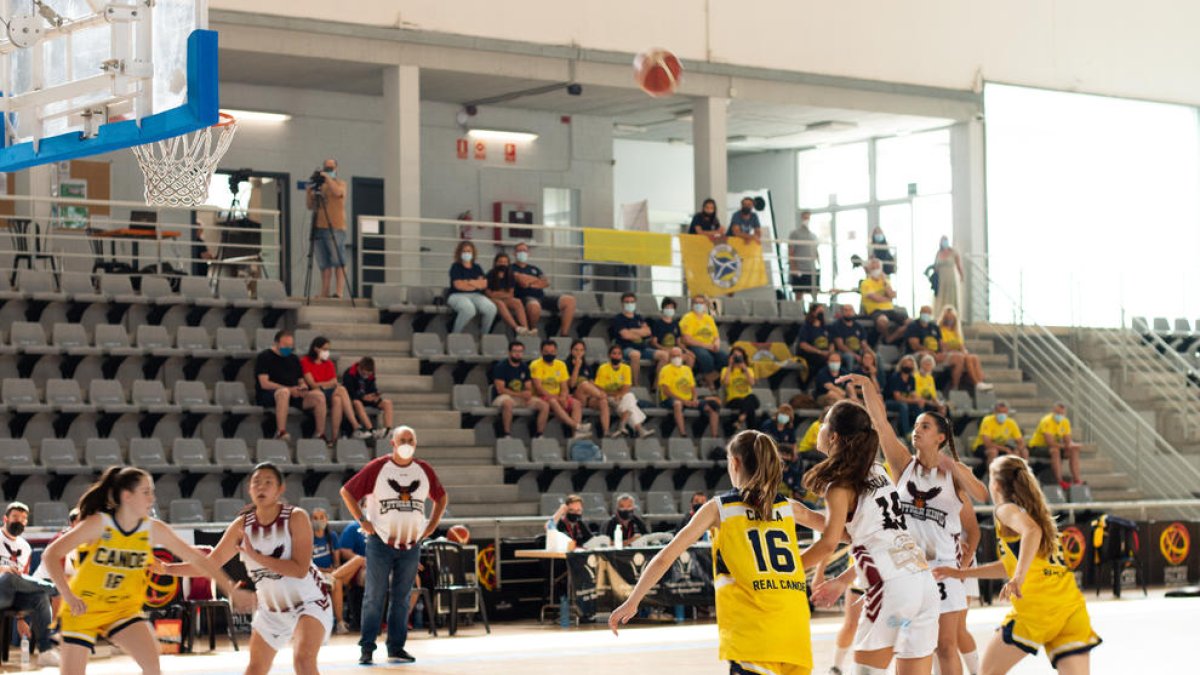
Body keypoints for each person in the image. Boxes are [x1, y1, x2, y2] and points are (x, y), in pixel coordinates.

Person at [610, 431, 826, 675]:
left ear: (734, 463)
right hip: (795, 630)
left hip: (753, 631)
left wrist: (632, 601)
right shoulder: (790, 507)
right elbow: (841, 535)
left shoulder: (719, 509)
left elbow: (664, 558)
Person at [44, 467, 254, 674]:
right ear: (127, 496)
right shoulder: (99, 524)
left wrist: (230, 589)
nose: (152, 498)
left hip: (123, 608)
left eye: (152, 491)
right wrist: (68, 596)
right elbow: (50, 555)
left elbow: (198, 559)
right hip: (85, 607)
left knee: (153, 666)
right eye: (146, 492)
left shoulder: (153, 529)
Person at [803, 396, 940, 675]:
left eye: (823, 423)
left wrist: (781, 569)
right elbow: (864, 534)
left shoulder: (840, 485)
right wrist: (842, 580)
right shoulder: (878, 470)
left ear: (834, 436)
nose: (819, 427)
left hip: (892, 586)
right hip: (921, 580)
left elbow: (829, 544)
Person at [933, 456, 1101, 674]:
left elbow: (1032, 533)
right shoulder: (1036, 511)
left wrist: (1018, 579)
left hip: (1036, 611)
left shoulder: (1005, 510)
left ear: (996, 484)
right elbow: (1010, 565)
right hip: (1070, 609)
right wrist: (960, 573)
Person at [162, 463, 332, 675]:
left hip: (309, 602)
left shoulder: (296, 517)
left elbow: (299, 569)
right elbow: (210, 563)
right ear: (249, 490)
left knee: (303, 661)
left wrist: (257, 557)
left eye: (268, 482)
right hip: (272, 609)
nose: (261, 487)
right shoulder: (242, 526)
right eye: (256, 482)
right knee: (254, 669)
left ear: (280, 489)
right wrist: (167, 569)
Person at [866, 393, 986, 675]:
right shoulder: (903, 464)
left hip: (942, 567)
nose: (916, 430)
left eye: (925, 427)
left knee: (945, 645)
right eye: (916, 426)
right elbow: (881, 423)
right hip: (907, 569)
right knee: (910, 643)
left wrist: (955, 468)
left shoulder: (954, 472)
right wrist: (867, 385)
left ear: (941, 438)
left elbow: (982, 494)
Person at [340, 426, 448, 665]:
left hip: (411, 544)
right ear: (393, 443)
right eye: (402, 439)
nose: (407, 443)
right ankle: (367, 647)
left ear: (416, 443)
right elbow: (347, 491)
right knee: (374, 596)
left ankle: (396, 647)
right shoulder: (378, 467)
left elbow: (441, 497)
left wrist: (431, 526)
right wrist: (362, 520)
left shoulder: (423, 470)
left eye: (411, 439)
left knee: (402, 597)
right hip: (380, 542)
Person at [0, 502, 57, 666]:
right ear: (5, 518)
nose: (20, 521)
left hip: (13, 595)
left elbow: (23, 581)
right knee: (9, 576)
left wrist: (20, 618)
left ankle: (45, 650)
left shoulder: (25, 547)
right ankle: (54, 588)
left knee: (40, 596)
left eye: (24, 519)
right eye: (15, 517)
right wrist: (3, 569)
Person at [256, 329, 326, 442]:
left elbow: (300, 380)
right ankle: (281, 431)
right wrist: (289, 389)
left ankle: (320, 434)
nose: (288, 348)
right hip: (270, 394)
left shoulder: (293, 359)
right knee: (284, 392)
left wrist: (303, 387)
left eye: (290, 346)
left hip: (293, 393)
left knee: (319, 396)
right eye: (285, 345)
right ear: (277, 343)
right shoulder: (264, 357)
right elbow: (264, 383)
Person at [301, 336, 370, 443]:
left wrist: (324, 385)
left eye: (328, 350)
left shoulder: (329, 363)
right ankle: (356, 426)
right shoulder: (306, 361)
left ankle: (334, 438)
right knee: (341, 390)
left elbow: (334, 382)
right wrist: (327, 384)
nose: (327, 352)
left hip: (328, 393)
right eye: (324, 349)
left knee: (338, 399)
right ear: (316, 349)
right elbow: (312, 385)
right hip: (314, 394)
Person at [512, 241, 576, 337]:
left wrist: (530, 281)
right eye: (520, 251)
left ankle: (564, 334)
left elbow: (546, 282)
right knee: (534, 306)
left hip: (542, 296)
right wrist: (536, 281)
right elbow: (523, 282)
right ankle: (532, 330)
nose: (522, 253)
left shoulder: (535, 269)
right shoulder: (511, 268)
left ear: (528, 253)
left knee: (569, 300)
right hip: (525, 297)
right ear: (514, 253)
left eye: (525, 251)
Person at [531, 339, 591, 439]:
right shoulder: (535, 365)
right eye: (546, 352)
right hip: (542, 397)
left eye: (552, 352)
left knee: (576, 403)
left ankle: (576, 433)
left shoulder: (560, 365)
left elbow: (564, 386)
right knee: (553, 401)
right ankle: (576, 426)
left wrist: (563, 396)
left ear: (556, 352)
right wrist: (557, 398)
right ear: (541, 352)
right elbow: (539, 388)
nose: (549, 354)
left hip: (558, 396)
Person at [305, 158, 348, 299]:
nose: (328, 170)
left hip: (336, 227)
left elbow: (337, 193)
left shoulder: (340, 183)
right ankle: (325, 292)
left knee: (338, 260)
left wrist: (328, 179)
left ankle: (339, 292)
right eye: (326, 168)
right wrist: (309, 192)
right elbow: (311, 206)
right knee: (324, 263)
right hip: (319, 227)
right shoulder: (320, 187)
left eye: (331, 168)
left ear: (336, 169)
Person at [658, 346, 720, 438]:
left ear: (682, 356)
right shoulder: (665, 370)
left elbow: (692, 387)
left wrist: (694, 399)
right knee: (678, 404)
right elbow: (666, 391)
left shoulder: (687, 369)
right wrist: (684, 401)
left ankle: (714, 436)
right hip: (670, 399)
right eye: (673, 356)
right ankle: (683, 433)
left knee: (713, 405)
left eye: (678, 356)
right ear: (670, 357)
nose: (676, 358)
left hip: (689, 399)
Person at [492, 340, 550, 438]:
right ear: (509, 352)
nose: (518, 354)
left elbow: (528, 386)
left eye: (520, 352)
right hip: (503, 396)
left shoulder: (525, 367)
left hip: (520, 397)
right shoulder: (501, 366)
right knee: (508, 403)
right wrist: (520, 394)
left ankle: (539, 434)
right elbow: (500, 389)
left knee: (544, 405)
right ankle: (507, 434)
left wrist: (528, 393)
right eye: (515, 351)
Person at [595, 343, 654, 439]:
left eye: (619, 354)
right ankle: (638, 429)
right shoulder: (603, 368)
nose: (616, 356)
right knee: (631, 403)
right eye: (614, 353)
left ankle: (623, 425)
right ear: (609, 355)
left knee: (629, 396)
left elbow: (627, 387)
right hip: (607, 397)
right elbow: (600, 388)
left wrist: (620, 395)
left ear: (622, 356)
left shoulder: (626, 368)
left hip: (621, 397)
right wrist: (616, 394)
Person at [609, 291, 668, 384]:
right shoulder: (618, 319)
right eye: (627, 302)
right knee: (635, 355)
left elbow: (648, 331)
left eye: (632, 302)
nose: (629, 304)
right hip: (625, 348)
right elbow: (625, 335)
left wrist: (631, 330)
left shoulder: (639, 317)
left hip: (642, 348)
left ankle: (656, 385)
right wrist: (640, 332)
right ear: (622, 304)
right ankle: (635, 384)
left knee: (664, 355)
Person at [906, 305, 968, 390]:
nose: (926, 315)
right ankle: (924, 386)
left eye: (928, 313)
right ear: (920, 313)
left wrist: (944, 353)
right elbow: (914, 345)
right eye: (924, 312)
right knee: (926, 356)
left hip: (935, 354)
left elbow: (941, 344)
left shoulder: (934, 327)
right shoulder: (913, 326)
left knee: (958, 357)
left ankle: (954, 387)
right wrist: (930, 352)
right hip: (917, 354)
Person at [309, 507, 349, 634]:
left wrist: (333, 570)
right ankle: (339, 621)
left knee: (337, 580)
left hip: (331, 574)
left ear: (327, 520)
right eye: (315, 518)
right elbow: (307, 564)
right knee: (336, 580)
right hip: (313, 574)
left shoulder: (332, 536)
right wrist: (326, 570)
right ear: (310, 520)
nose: (319, 521)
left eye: (322, 517)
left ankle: (340, 623)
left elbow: (336, 561)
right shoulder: (308, 537)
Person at [1030, 402, 1085, 492]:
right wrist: (1066, 446)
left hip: (1055, 447)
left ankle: (1077, 479)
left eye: (1062, 413)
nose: (1059, 415)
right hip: (1037, 447)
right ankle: (1059, 481)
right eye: (1057, 413)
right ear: (1053, 411)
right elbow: (1050, 442)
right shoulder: (1046, 421)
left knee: (1074, 450)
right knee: (1055, 451)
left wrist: (1069, 447)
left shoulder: (1065, 422)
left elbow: (1067, 439)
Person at [446, 240, 497, 334]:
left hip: (476, 295)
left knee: (491, 309)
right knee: (469, 310)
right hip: (457, 295)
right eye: (464, 251)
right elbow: (459, 286)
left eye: (469, 251)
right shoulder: (455, 267)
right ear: (459, 253)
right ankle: (455, 334)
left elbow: (483, 284)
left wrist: (467, 282)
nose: (466, 253)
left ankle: (483, 335)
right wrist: (474, 283)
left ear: (473, 253)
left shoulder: (477, 267)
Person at [679, 294, 727, 390]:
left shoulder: (709, 318)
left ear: (705, 305)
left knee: (725, 358)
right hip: (695, 345)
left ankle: (707, 378)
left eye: (701, 303)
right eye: (696, 303)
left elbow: (716, 336)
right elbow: (687, 339)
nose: (699, 305)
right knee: (706, 358)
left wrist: (717, 343)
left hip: (710, 346)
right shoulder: (687, 318)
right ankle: (709, 382)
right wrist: (706, 346)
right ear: (692, 305)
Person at [566, 339, 611, 437]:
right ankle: (604, 397)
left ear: (584, 352)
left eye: (581, 350)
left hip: (588, 398)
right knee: (583, 384)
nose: (578, 352)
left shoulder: (587, 367)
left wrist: (599, 391)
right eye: (576, 350)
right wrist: (577, 367)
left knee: (603, 402)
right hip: (574, 396)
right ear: (571, 351)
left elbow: (592, 384)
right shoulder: (566, 365)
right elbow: (572, 385)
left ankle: (606, 432)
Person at [342, 356, 394, 439]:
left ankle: (387, 430)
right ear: (359, 368)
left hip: (368, 398)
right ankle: (371, 430)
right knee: (357, 403)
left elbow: (372, 388)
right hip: (354, 399)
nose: (366, 376)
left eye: (368, 374)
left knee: (387, 403)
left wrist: (375, 395)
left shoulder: (370, 375)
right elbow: (349, 392)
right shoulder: (349, 373)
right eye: (364, 374)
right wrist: (362, 397)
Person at [486, 251, 534, 335]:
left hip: (504, 298)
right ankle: (516, 328)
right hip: (492, 300)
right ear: (496, 263)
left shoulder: (510, 275)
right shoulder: (490, 274)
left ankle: (526, 329)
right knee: (500, 303)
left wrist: (498, 293)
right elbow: (489, 293)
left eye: (505, 262)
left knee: (517, 302)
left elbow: (510, 294)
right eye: (500, 262)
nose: (502, 264)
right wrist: (502, 294)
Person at [938, 307, 987, 389]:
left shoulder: (956, 332)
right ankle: (977, 383)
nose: (950, 320)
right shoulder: (940, 330)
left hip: (959, 353)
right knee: (966, 358)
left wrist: (962, 350)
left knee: (974, 357)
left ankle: (980, 382)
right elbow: (943, 347)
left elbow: (961, 346)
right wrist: (955, 347)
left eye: (952, 318)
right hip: (948, 354)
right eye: (948, 318)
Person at [720, 345, 760, 433]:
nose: (737, 358)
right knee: (750, 407)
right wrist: (730, 366)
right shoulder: (725, 370)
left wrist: (744, 368)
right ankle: (752, 431)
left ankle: (740, 419)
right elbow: (725, 383)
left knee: (751, 397)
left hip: (748, 398)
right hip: (734, 399)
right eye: (735, 356)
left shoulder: (748, 370)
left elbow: (752, 383)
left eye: (739, 356)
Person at [649, 297, 695, 369]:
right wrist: (665, 349)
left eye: (671, 308)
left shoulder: (676, 324)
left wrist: (686, 350)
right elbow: (654, 343)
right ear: (663, 309)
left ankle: (685, 377)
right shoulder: (657, 324)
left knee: (690, 358)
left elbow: (678, 342)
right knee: (667, 357)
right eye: (667, 308)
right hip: (664, 351)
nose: (669, 310)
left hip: (675, 351)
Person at [797, 303, 836, 384]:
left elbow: (831, 343)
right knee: (820, 361)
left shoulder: (826, 327)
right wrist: (820, 352)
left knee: (838, 360)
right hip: (811, 354)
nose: (821, 314)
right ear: (813, 313)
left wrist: (831, 353)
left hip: (826, 354)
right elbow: (803, 345)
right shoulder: (806, 327)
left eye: (822, 312)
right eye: (819, 312)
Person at [884, 355, 922, 437]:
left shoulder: (912, 379)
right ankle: (906, 434)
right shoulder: (895, 377)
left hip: (903, 401)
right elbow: (897, 397)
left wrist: (919, 400)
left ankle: (918, 431)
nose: (908, 366)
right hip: (889, 401)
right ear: (901, 365)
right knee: (903, 406)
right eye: (906, 364)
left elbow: (913, 394)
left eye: (910, 365)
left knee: (918, 407)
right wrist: (915, 400)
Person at [789, 210, 820, 307]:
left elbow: (816, 251)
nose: (807, 220)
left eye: (808, 218)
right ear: (801, 218)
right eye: (805, 217)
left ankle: (813, 313)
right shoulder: (795, 233)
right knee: (799, 294)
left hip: (811, 269)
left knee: (814, 293)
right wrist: (793, 268)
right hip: (799, 268)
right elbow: (791, 251)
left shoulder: (814, 235)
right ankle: (799, 313)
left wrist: (819, 264)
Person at [831, 303, 872, 370]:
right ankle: (850, 378)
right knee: (850, 357)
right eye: (846, 310)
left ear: (854, 312)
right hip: (843, 353)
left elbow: (864, 344)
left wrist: (871, 353)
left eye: (850, 310)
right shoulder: (837, 326)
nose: (848, 313)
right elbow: (840, 346)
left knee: (876, 357)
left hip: (859, 352)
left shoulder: (859, 326)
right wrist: (855, 355)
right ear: (841, 313)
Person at [932, 236, 963, 317]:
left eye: (946, 240)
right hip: (941, 279)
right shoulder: (938, 253)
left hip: (950, 277)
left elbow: (959, 265)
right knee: (941, 297)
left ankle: (953, 315)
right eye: (943, 241)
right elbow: (935, 267)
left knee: (951, 296)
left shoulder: (954, 252)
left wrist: (961, 275)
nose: (944, 242)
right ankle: (940, 316)